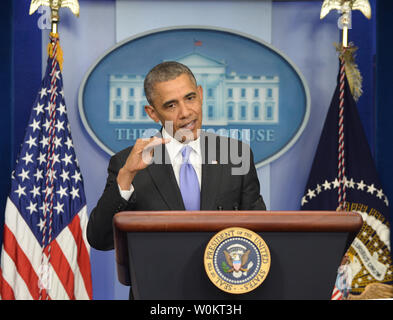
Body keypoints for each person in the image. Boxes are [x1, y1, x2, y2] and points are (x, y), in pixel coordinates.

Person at [87, 61, 266, 251]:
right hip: (159, 279)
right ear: (153, 113)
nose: (185, 112)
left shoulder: (236, 154)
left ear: (201, 94)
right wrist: (126, 177)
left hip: (224, 275)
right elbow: (100, 239)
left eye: (190, 98)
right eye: (171, 105)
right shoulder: (127, 164)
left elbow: (259, 232)